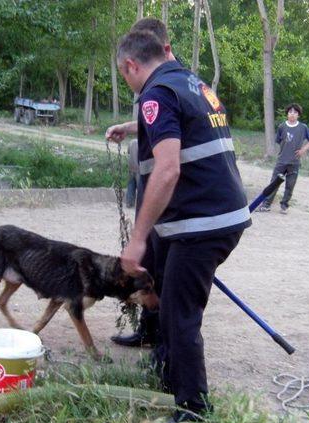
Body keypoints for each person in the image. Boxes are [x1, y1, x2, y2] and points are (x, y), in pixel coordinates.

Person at [108, 30, 252, 423]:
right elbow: (181, 127)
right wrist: (131, 126)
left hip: (200, 224)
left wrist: (137, 238)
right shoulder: (192, 83)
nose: (130, 84)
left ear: (131, 66)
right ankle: (166, 372)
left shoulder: (155, 94)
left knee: (179, 313)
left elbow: (168, 168)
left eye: (125, 76)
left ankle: (193, 411)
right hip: (216, 215)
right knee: (164, 293)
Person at [109, 18, 177, 348]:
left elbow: (170, 158)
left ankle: (165, 346)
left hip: (170, 202)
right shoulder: (167, 84)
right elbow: (165, 124)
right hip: (158, 198)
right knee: (148, 265)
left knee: (164, 275)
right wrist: (129, 125)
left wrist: (137, 235)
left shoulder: (167, 85)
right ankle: (149, 334)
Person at [260, 104, 309, 214]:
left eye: (295, 112)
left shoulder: (303, 127)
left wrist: (303, 150)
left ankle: (284, 205)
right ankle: (266, 205)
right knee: (274, 183)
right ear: (287, 114)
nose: (292, 114)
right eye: (290, 112)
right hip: (281, 161)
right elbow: (279, 140)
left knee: (290, 185)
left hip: (294, 162)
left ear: (298, 115)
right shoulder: (282, 126)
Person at [125, 139, 140, 208]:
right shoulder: (142, 143)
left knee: (131, 186)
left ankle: (129, 203)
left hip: (131, 168)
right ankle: (141, 204)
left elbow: (128, 153)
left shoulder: (131, 142)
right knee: (141, 187)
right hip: (139, 169)